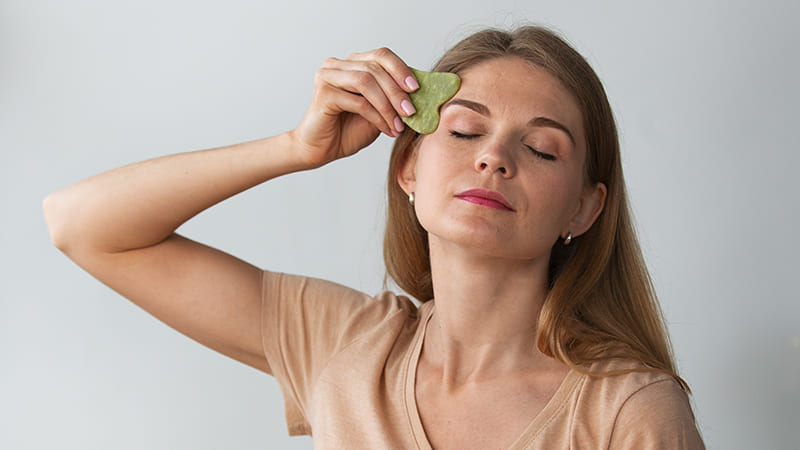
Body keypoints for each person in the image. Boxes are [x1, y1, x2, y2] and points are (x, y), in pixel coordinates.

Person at [43, 26, 704, 448]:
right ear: (408, 168)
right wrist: (295, 148)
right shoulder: (342, 344)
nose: (493, 158)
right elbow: (81, 225)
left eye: (540, 148)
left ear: (584, 211)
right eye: (466, 131)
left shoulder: (630, 411)